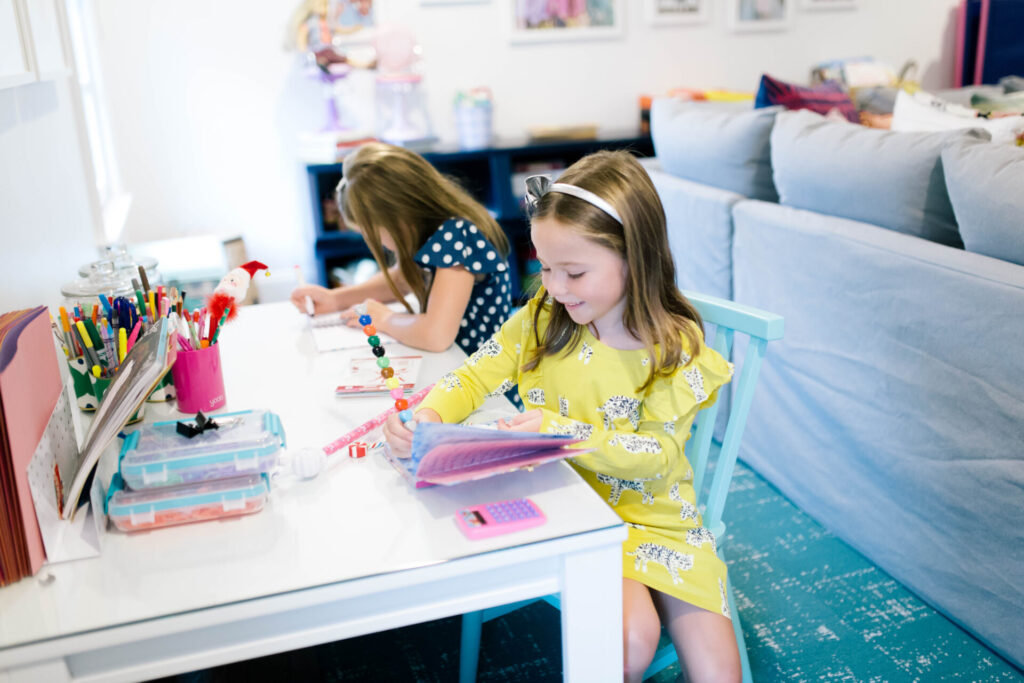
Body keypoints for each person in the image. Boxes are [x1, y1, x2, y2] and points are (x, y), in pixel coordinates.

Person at [383, 150, 740, 682]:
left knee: (720, 673)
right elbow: (474, 376)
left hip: (660, 519)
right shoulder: (544, 319)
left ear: (635, 257)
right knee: (630, 641)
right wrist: (428, 413)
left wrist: (562, 432)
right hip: (572, 508)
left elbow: (659, 457)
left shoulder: (674, 344)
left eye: (573, 272)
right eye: (545, 268)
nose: (554, 287)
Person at [290, 142, 514, 354]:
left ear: (400, 220)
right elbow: (401, 278)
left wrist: (383, 318)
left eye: (376, 235)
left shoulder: (457, 236)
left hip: (482, 375)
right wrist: (334, 299)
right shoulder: (435, 232)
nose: (379, 244)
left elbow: (436, 336)